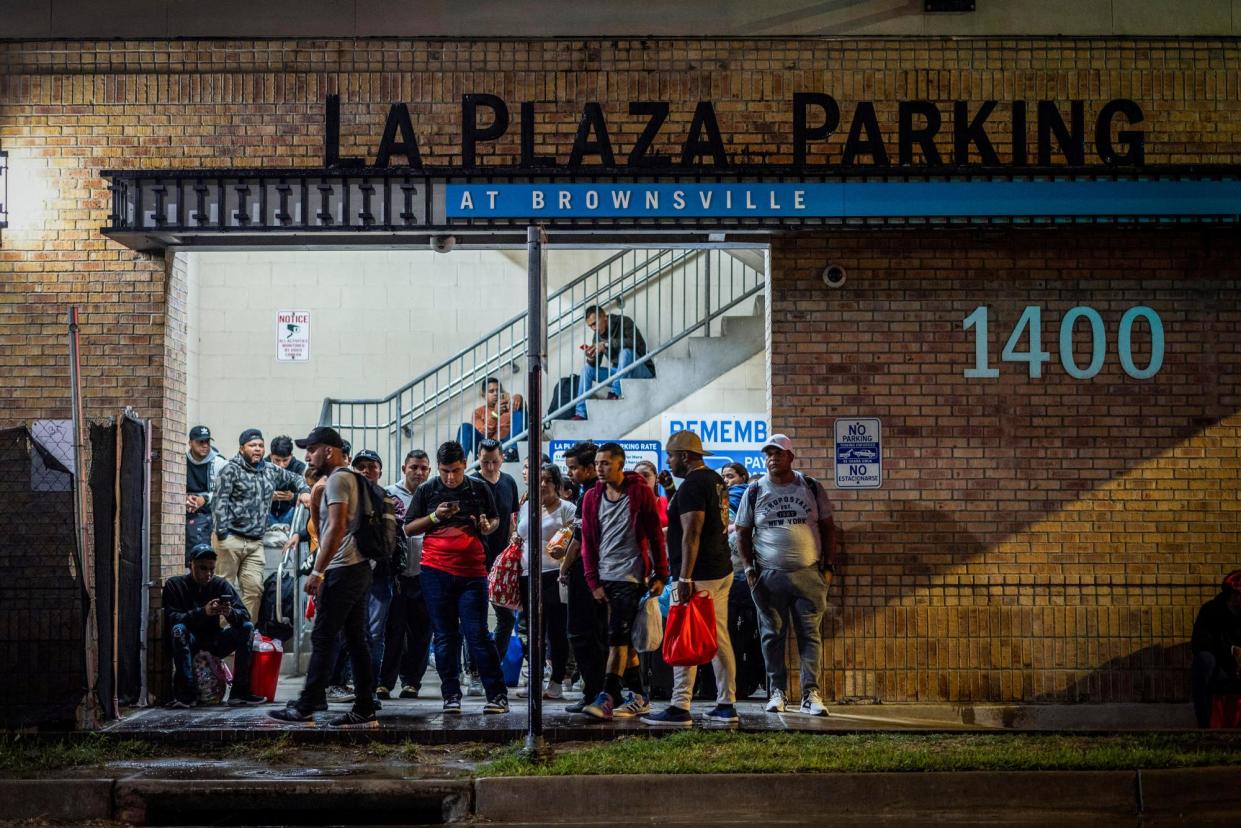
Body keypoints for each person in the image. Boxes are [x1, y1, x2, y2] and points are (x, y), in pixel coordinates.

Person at [269, 426, 378, 728]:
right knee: (355, 639)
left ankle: (309, 704)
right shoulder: (351, 478)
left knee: (324, 635)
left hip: (344, 568)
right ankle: (364, 706)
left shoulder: (338, 479)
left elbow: (336, 526)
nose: (307, 455)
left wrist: (318, 570)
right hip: (358, 567)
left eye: (312, 449)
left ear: (328, 451)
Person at [404, 440, 509, 715]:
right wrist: (435, 517)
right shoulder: (428, 489)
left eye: (456, 470)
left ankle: (497, 695)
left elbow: (495, 519)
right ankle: (451, 695)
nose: (450, 477)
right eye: (445, 471)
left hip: (473, 573)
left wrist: (488, 526)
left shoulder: (478, 487)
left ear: (465, 465)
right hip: (435, 571)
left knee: (478, 634)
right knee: (444, 636)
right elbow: (409, 528)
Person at [735, 434, 837, 717]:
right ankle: (777, 692)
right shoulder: (754, 491)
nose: (772, 458)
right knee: (771, 636)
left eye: (778, 453)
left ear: (791, 456)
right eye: (768, 454)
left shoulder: (810, 487)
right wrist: (750, 570)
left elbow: (829, 528)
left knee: (810, 636)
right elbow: (742, 532)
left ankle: (810, 693)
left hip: (809, 575)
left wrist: (828, 567)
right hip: (769, 577)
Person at [642, 430, 737, 727]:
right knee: (717, 636)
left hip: (699, 575)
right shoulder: (714, 480)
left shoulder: (695, 483)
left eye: (671, 456)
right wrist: (672, 493)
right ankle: (726, 703)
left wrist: (684, 577)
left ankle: (680, 705)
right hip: (719, 569)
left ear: (685, 456)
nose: (668, 462)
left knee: (686, 632)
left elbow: (691, 532)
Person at [578, 442, 669, 720]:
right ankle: (640, 697)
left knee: (618, 638)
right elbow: (588, 543)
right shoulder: (592, 497)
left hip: (631, 576)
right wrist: (593, 581)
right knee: (622, 641)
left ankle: (607, 697)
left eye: (605, 463)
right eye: (597, 463)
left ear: (620, 464)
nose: (600, 468)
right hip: (604, 577)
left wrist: (661, 574)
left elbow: (655, 533)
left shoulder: (639, 492)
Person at [211, 428, 310, 621]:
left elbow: (296, 478)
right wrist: (222, 534)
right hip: (230, 538)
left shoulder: (270, 470)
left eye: (260, 445)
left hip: (255, 542)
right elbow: (218, 502)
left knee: (255, 589)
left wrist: (304, 490)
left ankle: (245, 633)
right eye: (252, 445)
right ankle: (222, 636)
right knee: (224, 592)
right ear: (242, 448)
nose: (257, 449)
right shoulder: (231, 469)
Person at [163, 543, 264, 708]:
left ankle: (239, 691)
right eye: (203, 568)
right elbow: (172, 619)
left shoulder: (219, 585)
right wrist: (203, 612)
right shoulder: (175, 585)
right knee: (178, 630)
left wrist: (229, 613)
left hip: (214, 641)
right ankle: (186, 696)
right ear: (191, 565)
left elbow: (244, 615)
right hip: (191, 641)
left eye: (211, 569)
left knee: (247, 628)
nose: (208, 574)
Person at [465, 439, 521, 696]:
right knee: (474, 619)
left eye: (494, 461)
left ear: (502, 459)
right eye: (484, 461)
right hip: (475, 559)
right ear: (478, 458)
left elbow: (511, 518)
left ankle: (491, 666)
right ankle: (473, 671)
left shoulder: (508, 482)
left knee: (506, 618)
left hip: (502, 563)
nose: (489, 466)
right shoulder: (471, 483)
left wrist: (511, 547)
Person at [516, 463, 576, 700]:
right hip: (527, 575)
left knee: (556, 631)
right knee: (533, 631)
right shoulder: (527, 506)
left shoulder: (567, 509)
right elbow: (520, 534)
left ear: (556, 484)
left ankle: (557, 681)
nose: (541, 485)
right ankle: (535, 679)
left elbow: (573, 541)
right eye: (537, 480)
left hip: (554, 575)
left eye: (546, 480)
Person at [379, 449, 434, 699]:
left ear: (429, 471)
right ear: (404, 468)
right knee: (393, 630)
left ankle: (412, 681)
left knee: (422, 632)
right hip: (397, 576)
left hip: (426, 574)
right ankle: (385, 682)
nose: (418, 472)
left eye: (423, 468)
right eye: (414, 467)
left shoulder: (434, 494)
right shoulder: (389, 494)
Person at [558, 441, 609, 712]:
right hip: (604, 571)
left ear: (591, 468)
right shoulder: (604, 492)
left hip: (587, 572)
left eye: (575, 468)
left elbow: (578, 543)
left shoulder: (590, 495)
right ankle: (600, 692)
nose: (572, 474)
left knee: (581, 633)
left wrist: (564, 569)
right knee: (598, 634)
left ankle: (593, 693)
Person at [573, 305, 655, 420]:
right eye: (590, 326)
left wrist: (607, 344)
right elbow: (595, 365)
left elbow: (635, 342)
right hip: (620, 374)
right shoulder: (597, 336)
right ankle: (580, 413)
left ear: (604, 317)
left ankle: (615, 393)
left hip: (641, 370)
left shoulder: (623, 321)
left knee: (626, 352)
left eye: (595, 323)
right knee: (586, 370)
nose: (594, 328)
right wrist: (591, 357)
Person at [1190, 569, 1241, 727]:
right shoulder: (1211, 611)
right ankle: (1206, 726)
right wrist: (1229, 657)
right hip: (1220, 667)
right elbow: (1200, 643)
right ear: (1234, 596)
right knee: (1203, 661)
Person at [456, 376, 525, 460]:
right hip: (488, 447)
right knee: (465, 427)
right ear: (484, 395)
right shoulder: (478, 412)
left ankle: (511, 451)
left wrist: (520, 399)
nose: (496, 393)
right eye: (491, 391)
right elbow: (482, 434)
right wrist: (495, 415)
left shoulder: (511, 407)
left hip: (508, 445)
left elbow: (524, 421)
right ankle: (458, 461)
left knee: (520, 410)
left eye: (498, 391)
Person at [185, 425, 227, 562]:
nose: (205, 445)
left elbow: (226, 490)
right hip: (188, 510)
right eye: (200, 442)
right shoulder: (182, 461)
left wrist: (204, 499)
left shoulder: (220, 463)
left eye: (207, 442)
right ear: (190, 443)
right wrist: (185, 499)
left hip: (212, 512)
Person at [267, 435, 307, 526]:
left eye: (285, 460)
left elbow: (308, 493)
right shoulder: (263, 466)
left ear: (291, 456)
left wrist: (293, 497)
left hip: (290, 512)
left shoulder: (299, 467)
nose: (281, 465)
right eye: (277, 460)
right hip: (268, 514)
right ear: (271, 456)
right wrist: (267, 496)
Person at [634, 460, 669, 529]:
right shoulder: (628, 504)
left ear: (656, 479)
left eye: (646, 475)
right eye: (637, 476)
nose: (641, 479)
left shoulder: (667, 502)